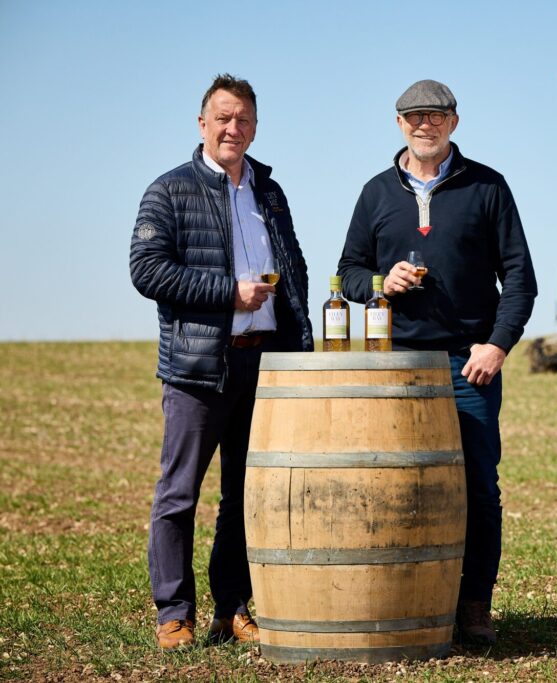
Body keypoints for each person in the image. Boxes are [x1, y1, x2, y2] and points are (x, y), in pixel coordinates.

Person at [337, 79, 538, 646]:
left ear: (454, 122)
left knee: (478, 489)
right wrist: (381, 280)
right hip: (396, 366)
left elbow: (520, 277)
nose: (424, 124)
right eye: (413, 117)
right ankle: (406, 604)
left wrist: (496, 344)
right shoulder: (375, 192)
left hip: (469, 363)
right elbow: (349, 271)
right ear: (398, 124)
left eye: (436, 116)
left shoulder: (488, 187)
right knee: (397, 489)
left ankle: (474, 606)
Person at [129, 74, 313, 650]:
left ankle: (231, 606)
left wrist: (300, 345)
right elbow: (147, 271)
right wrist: (226, 293)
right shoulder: (169, 191)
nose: (234, 128)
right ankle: (173, 612)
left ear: (255, 128)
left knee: (244, 492)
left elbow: (295, 272)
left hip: (264, 365)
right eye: (224, 118)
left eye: (245, 120)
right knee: (179, 492)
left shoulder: (269, 191)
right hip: (198, 367)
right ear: (203, 123)